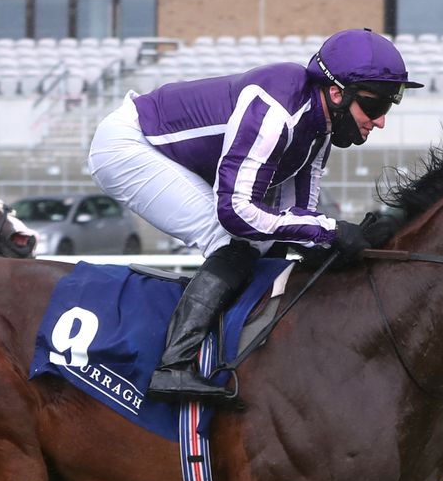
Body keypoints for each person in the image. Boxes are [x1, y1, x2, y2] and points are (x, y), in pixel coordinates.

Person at [87, 28, 422, 403]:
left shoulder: (319, 129)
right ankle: (173, 366)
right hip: (129, 144)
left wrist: (344, 239)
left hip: (172, 152)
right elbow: (236, 212)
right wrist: (330, 231)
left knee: (271, 243)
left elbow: (298, 221)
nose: (379, 122)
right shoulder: (277, 110)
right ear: (336, 92)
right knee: (236, 240)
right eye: (374, 108)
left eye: (387, 109)